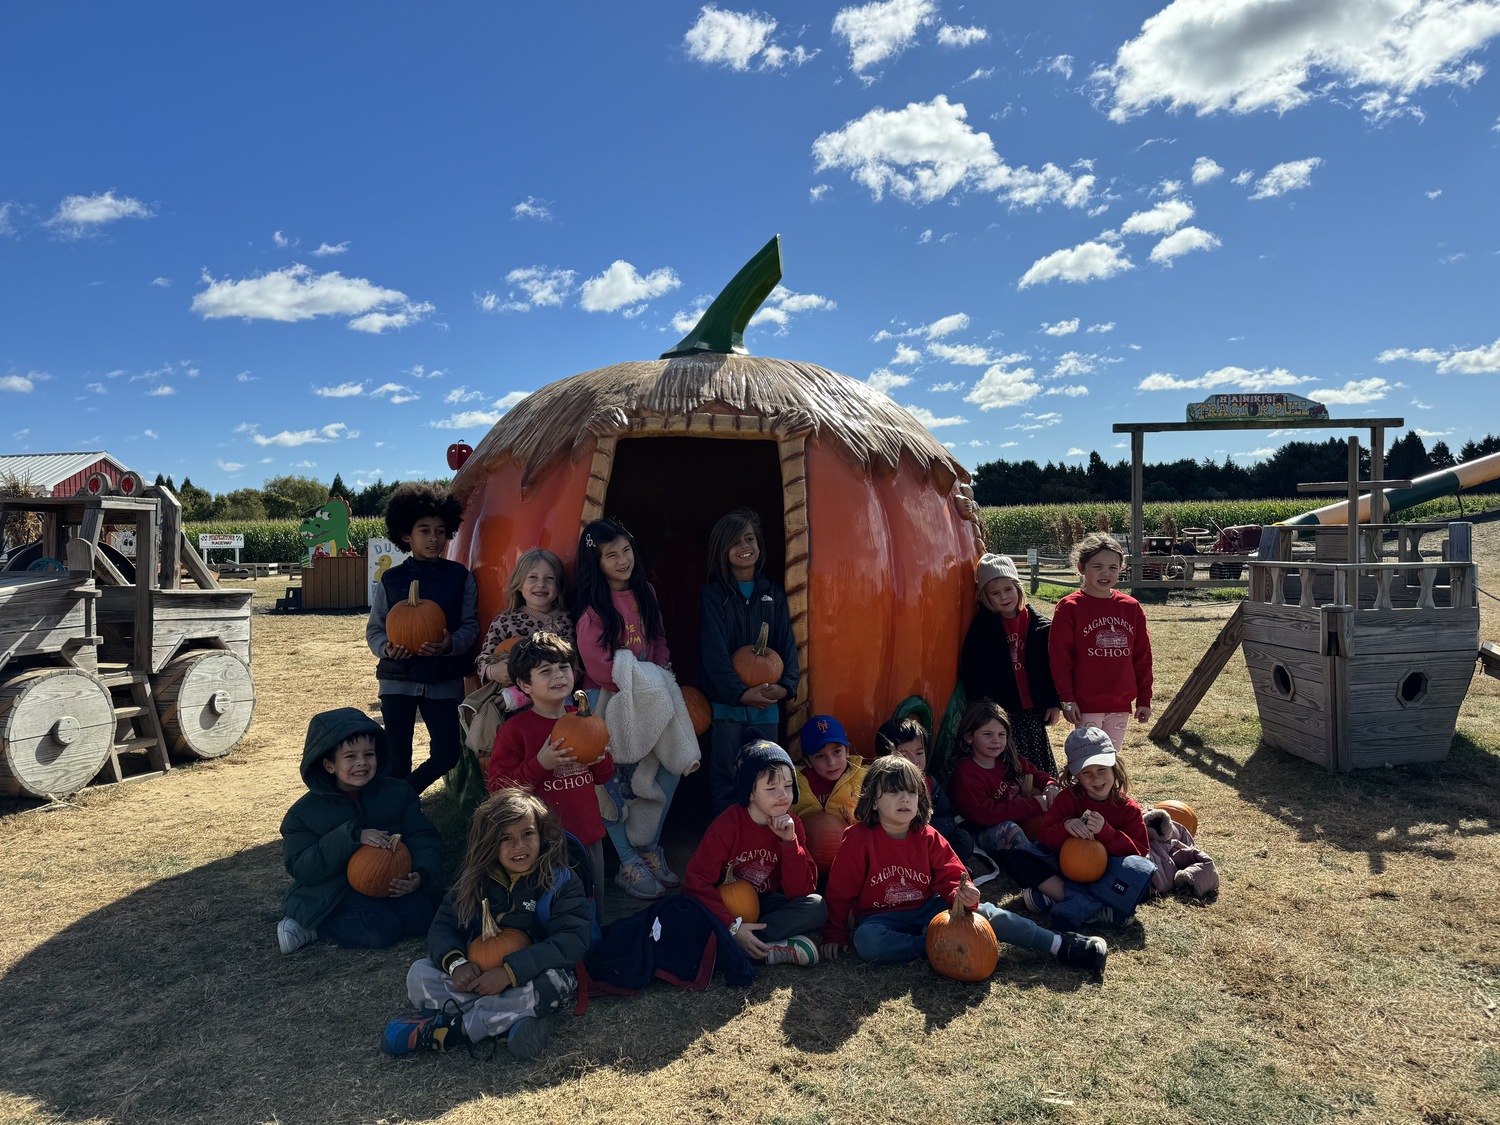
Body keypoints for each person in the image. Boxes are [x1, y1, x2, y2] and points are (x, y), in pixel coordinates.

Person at [819, 757, 1106, 973]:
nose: (904, 799)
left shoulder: (928, 836)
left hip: (929, 907)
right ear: (873, 801)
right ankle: (936, 944)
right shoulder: (858, 840)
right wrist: (834, 931)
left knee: (987, 913)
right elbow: (840, 890)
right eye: (893, 793)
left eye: (911, 792)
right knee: (867, 942)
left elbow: (953, 875)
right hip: (881, 918)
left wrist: (962, 895)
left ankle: (1057, 944)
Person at [381, 789, 593, 1061]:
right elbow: (443, 926)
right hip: (479, 978)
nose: (520, 846)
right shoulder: (476, 881)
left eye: (527, 834)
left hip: (530, 977)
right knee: (419, 974)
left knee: (552, 986)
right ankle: (509, 1021)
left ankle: (459, 1029)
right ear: (489, 843)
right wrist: (456, 965)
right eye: (506, 838)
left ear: (541, 834)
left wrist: (509, 973)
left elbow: (571, 941)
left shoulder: (560, 881)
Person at [572, 517, 682, 900]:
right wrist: (643, 680)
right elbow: (599, 667)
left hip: (650, 697)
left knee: (668, 766)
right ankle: (626, 861)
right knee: (611, 783)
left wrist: (661, 672)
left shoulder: (645, 592)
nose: (622, 560)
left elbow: (659, 640)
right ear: (596, 562)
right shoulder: (594, 608)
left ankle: (648, 846)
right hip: (609, 703)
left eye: (626, 550)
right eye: (610, 555)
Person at [277, 707, 441, 954]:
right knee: (381, 929)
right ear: (329, 764)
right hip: (336, 890)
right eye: (350, 757)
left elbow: (421, 835)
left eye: (369, 754)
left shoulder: (398, 793)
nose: (362, 763)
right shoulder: (303, 814)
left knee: (421, 916)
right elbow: (301, 866)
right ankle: (314, 925)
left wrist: (421, 874)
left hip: (388, 882)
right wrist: (352, 837)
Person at [366, 483, 479, 794]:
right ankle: (391, 815)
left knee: (447, 753)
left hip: (443, 679)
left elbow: (471, 626)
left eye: (440, 531)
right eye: (424, 530)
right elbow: (375, 630)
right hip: (397, 679)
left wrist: (450, 644)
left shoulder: (460, 577)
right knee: (396, 759)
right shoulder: (391, 580)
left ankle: (402, 797)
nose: (434, 538)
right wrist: (386, 648)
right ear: (406, 534)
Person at [487, 632, 614, 894]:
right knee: (554, 909)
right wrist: (540, 763)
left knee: (591, 907)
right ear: (524, 685)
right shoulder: (516, 730)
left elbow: (602, 776)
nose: (558, 675)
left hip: (588, 835)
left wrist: (600, 759)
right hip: (543, 842)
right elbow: (499, 790)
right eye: (545, 671)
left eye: (563, 667)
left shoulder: (585, 720)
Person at [683, 739, 825, 966]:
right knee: (691, 922)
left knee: (816, 906)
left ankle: (744, 947)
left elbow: (801, 890)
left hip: (766, 905)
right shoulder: (726, 827)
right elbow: (696, 882)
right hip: (725, 907)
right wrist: (732, 926)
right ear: (749, 793)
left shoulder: (793, 825)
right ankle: (759, 947)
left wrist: (790, 843)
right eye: (771, 788)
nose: (783, 795)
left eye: (788, 786)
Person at [698, 508, 799, 815]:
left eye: (750, 538)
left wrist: (787, 686)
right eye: (735, 541)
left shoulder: (772, 593)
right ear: (722, 550)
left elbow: (787, 643)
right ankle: (728, 840)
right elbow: (713, 653)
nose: (745, 546)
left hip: (767, 702)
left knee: (768, 771)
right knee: (728, 774)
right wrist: (739, 693)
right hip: (728, 704)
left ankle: (763, 837)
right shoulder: (713, 596)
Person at [1008, 726, 1154, 930]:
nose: (1096, 779)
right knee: (1018, 858)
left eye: (1102, 769)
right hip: (1064, 867)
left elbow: (1139, 853)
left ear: (1114, 767)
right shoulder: (1068, 799)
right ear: (1075, 775)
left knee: (1143, 877)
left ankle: (1057, 898)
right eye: (1086, 773)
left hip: (1107, 873)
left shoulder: (1128, 808)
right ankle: (1090, 902)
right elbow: (1045, 838)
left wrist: (1107, 833)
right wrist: (1066, 826)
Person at [1049, 532, 1153, 754]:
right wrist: (1067, 699)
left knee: (1110, 758)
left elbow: (1142, 657)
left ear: (1121, 569)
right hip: (1086, 705)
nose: (1106, 573)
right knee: (1088, 759)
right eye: (1097, 566)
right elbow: (1060, 658)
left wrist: (1144, 699)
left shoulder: (1131, 607)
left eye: (1113, 567)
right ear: (1081, 567)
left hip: (1119, 705)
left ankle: (1109, 790)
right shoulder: (1070, 607)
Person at [959, 553, 1062, 775]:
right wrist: (983, 707)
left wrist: (1053, 702)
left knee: (1037, 758)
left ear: (1018, 588)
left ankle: (1044, 792)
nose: (1004, 597)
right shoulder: (982, 630)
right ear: (985, 597)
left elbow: (1051, 668)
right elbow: (974, 671)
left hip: (1033, 707)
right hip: (1002, 708)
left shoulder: (1039, 626)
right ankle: (1016, 799)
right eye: (995, 593)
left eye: (1008, 589)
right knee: (1009, 760)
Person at [948, 699, 1059, 856]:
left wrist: (1051, 786)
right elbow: (986, 815)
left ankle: (1058, 847)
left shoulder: (1009, 759)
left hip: (1017, 819)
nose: (996, 740)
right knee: (1010, 830)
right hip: (984, 830)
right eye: (987, 734)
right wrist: (1034, 804)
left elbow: (1037, 775)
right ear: (969, 737)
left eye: (1001, 734)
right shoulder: (967, 773)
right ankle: (1037, 860)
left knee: (1055, 801)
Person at [873, 712, 973, 866]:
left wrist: (939, 830)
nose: (915, 761)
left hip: (934, 838)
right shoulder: (882, 789)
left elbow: (944, 813)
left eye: (919, 753)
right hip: (904, 845)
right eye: (905, 756)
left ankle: (947, 867)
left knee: (964, 840)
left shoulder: (929, 783)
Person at [475, 548, 576, 697]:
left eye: (549, 578)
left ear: (558, 586)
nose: (541, 584)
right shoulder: (505, 621)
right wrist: (492, 671)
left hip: (557, 700)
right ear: (519, 584)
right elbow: (483, 658)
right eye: (533, 577)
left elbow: (574, 663)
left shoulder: (566, 620)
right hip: (512, 703)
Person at [790, 714, 867, 825]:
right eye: (820, 756)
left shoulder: (865, 779)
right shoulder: (795, 786)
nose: (831, 762)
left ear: (847, 752)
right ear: (808, 761)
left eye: (836, 752)